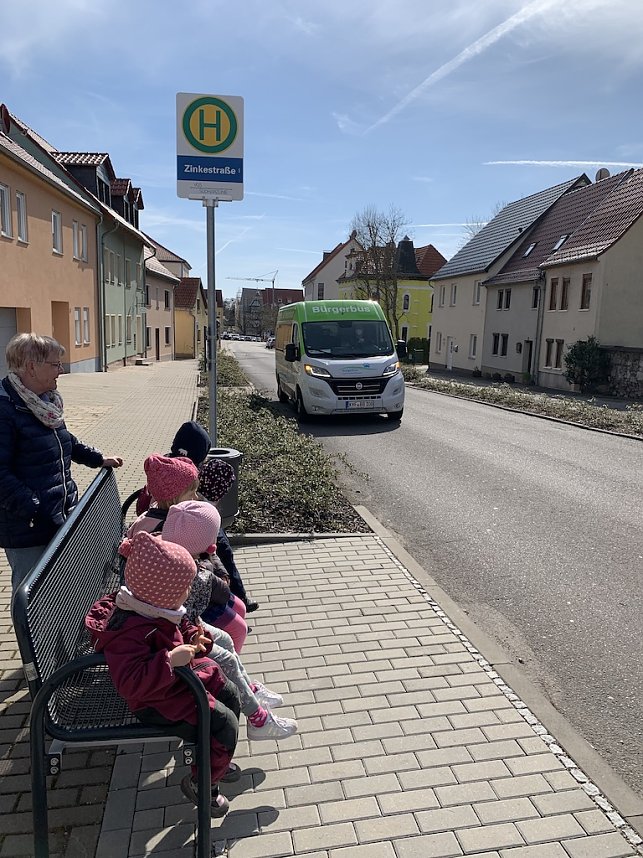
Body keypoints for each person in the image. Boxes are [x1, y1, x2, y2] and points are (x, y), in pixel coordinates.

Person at [85, 530, 240, 817]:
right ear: (162, 594)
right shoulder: (130, 631)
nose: (187, 594)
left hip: (176, 686)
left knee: (231, 693)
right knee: (225, 724)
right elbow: (130, 683)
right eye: (183, 590)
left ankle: (216, 757)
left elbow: (180, 624)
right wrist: (169, 661)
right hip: (156, 702)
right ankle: (203, 784)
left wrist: (195, 636)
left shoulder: (152, 607)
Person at [163, 501, 298, 740]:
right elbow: (216, 596)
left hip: (182, 628)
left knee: (225, 639)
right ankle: (258, 719)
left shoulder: (166, 556)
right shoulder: (193, 574)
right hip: (174, 642)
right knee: (226, 659)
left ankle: (251, 689)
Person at [0, 333, 122, 589]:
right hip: (28, 527)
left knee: (58, 590)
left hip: (58, 514)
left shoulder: (45, 403)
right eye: (55, 365)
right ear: (31, 367)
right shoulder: (5, 409)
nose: (61, 370)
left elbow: (64, 439)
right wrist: (32, 506)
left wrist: (97, 458)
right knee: (30, 593)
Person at [128, 454, 249, 652]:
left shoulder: (173, 514)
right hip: (181, 602)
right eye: (191, 491)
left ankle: (229, 659)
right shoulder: (164, 528)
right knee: (238, 629)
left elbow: (208, 548)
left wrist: (220, 572)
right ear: (174, 496)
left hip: (196, 589)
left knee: (240, 609)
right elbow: (189, 573)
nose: (195, 497)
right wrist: (218, 579)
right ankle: (225, 667)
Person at [135, 420, 259, 613]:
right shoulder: (185, 471)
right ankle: (236, 596)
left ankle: (236, 596)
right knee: (222, 551)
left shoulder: (166, 464)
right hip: (190, 524)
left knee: (219, 552)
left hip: (187, 523)